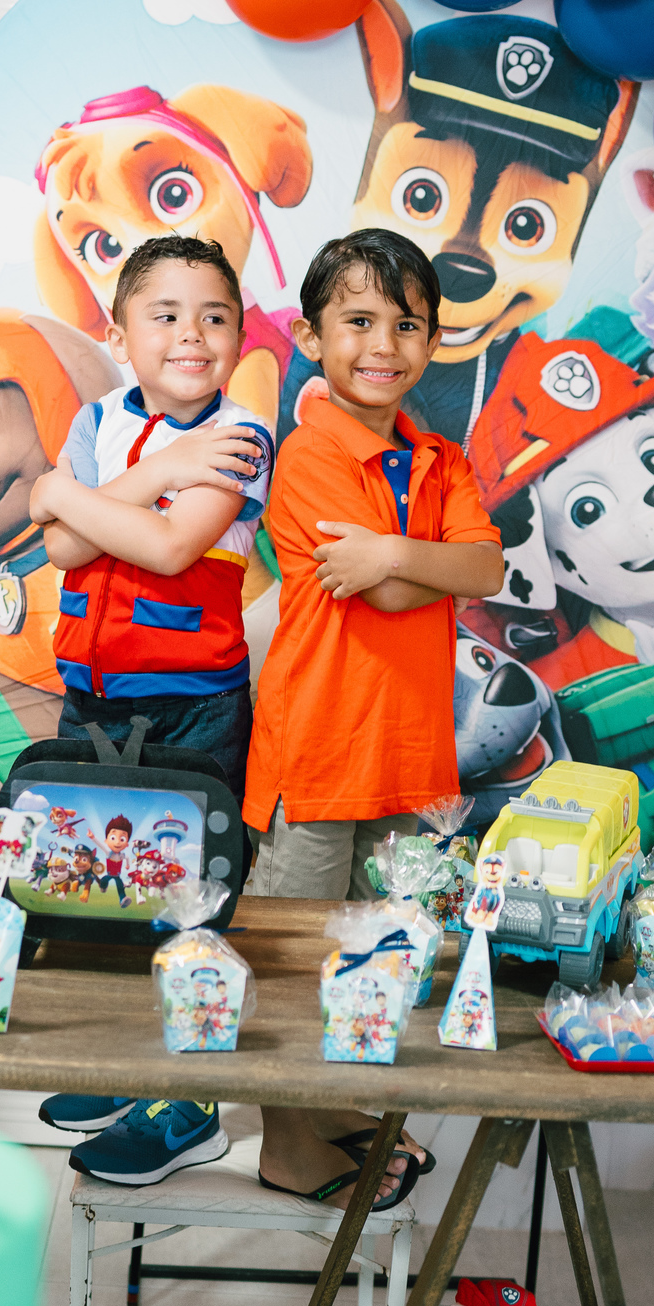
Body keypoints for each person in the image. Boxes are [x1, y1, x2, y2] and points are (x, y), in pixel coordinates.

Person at [246, 227, 504, 1208]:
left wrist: (391, 551)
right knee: (290, 961)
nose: (383, 345)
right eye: (357, 321)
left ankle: (338, 1112)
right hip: (317, 756)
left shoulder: (441, 459)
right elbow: (403, 597)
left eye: (407, 324)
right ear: (312, 337)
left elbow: (485, 568)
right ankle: (287, 1145)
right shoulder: (310, 453)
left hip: (407, 757)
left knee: (370, 958)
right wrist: (425, 565)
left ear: (433, 341)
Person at [30, 232, 276, 1185]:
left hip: (193, 709)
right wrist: (147, 476)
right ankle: (132, 1073)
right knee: (105, 894)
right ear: (120, 335)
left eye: (214, 317)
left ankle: (192, 1105)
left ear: (239, 337)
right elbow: (61, 552)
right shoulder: (96, 420)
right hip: (91, 702)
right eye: (165, 315)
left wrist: (70, 496)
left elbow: (172, 548)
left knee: (193, 907)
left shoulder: (240, 437)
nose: (191, 335)